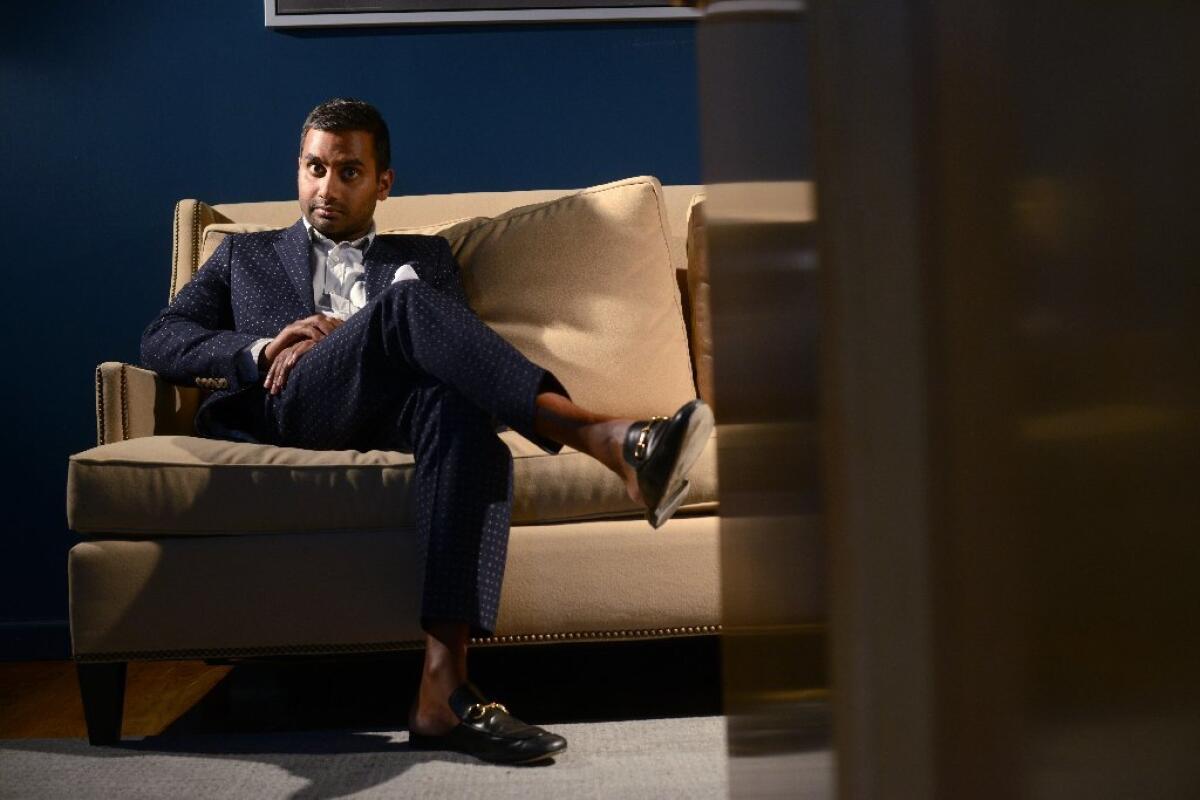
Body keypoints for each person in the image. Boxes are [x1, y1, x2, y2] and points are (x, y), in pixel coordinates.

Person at [141, 98, 713, 765]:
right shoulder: (245, 257)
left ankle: (443, 691)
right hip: (290, 405)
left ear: (383, 182)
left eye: (348, 171)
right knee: (406, 305)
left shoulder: (425, 256)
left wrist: (359, 334)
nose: (327, 188)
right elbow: (162, 338)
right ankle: (607, 438)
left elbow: (464, 362)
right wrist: (266, 347)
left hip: (392, 413)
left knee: (460, 414)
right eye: (314, 168)